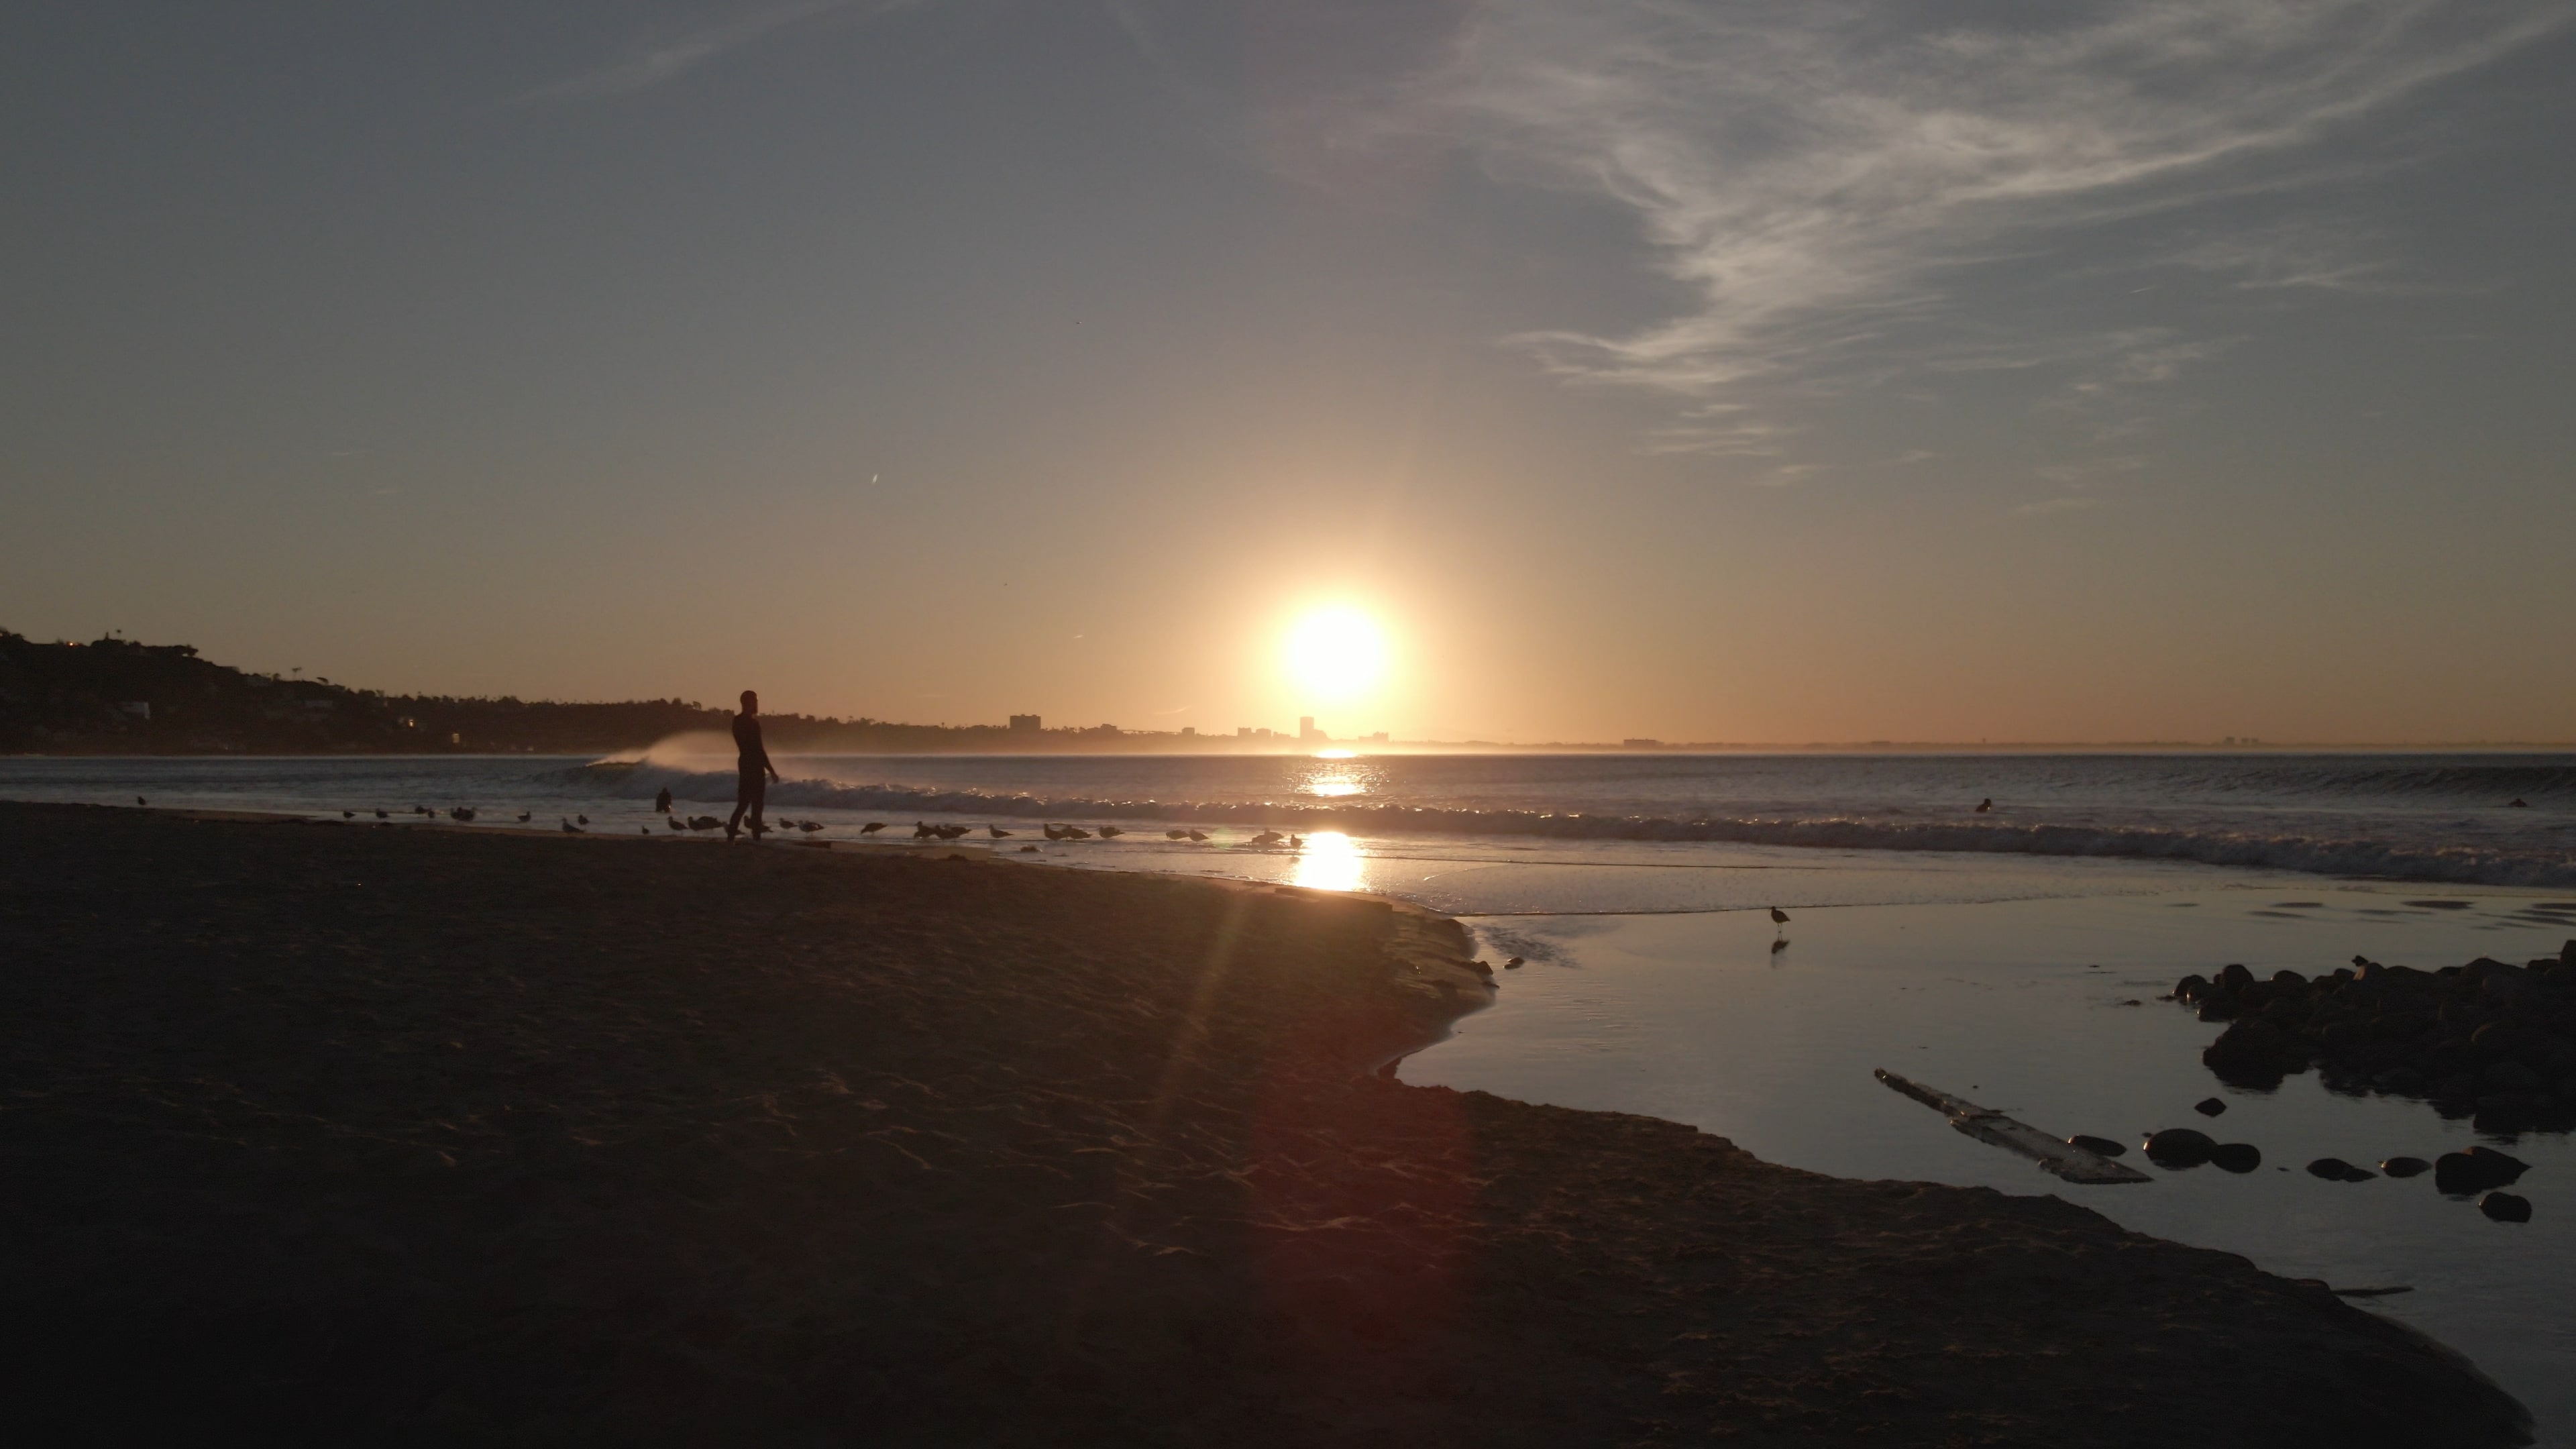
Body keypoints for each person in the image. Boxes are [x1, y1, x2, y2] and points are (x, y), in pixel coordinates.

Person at [726, 690, 781, 841]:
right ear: (748, 703)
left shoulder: (736, 721)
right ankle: (756, 838)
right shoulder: (753, 723)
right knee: (757, 806)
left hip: (744, 764)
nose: (757, 704)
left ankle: (731, 838)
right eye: (755, 701)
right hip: (754, 766)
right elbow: (759, 749)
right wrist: (772, 770)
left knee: (742, 805)